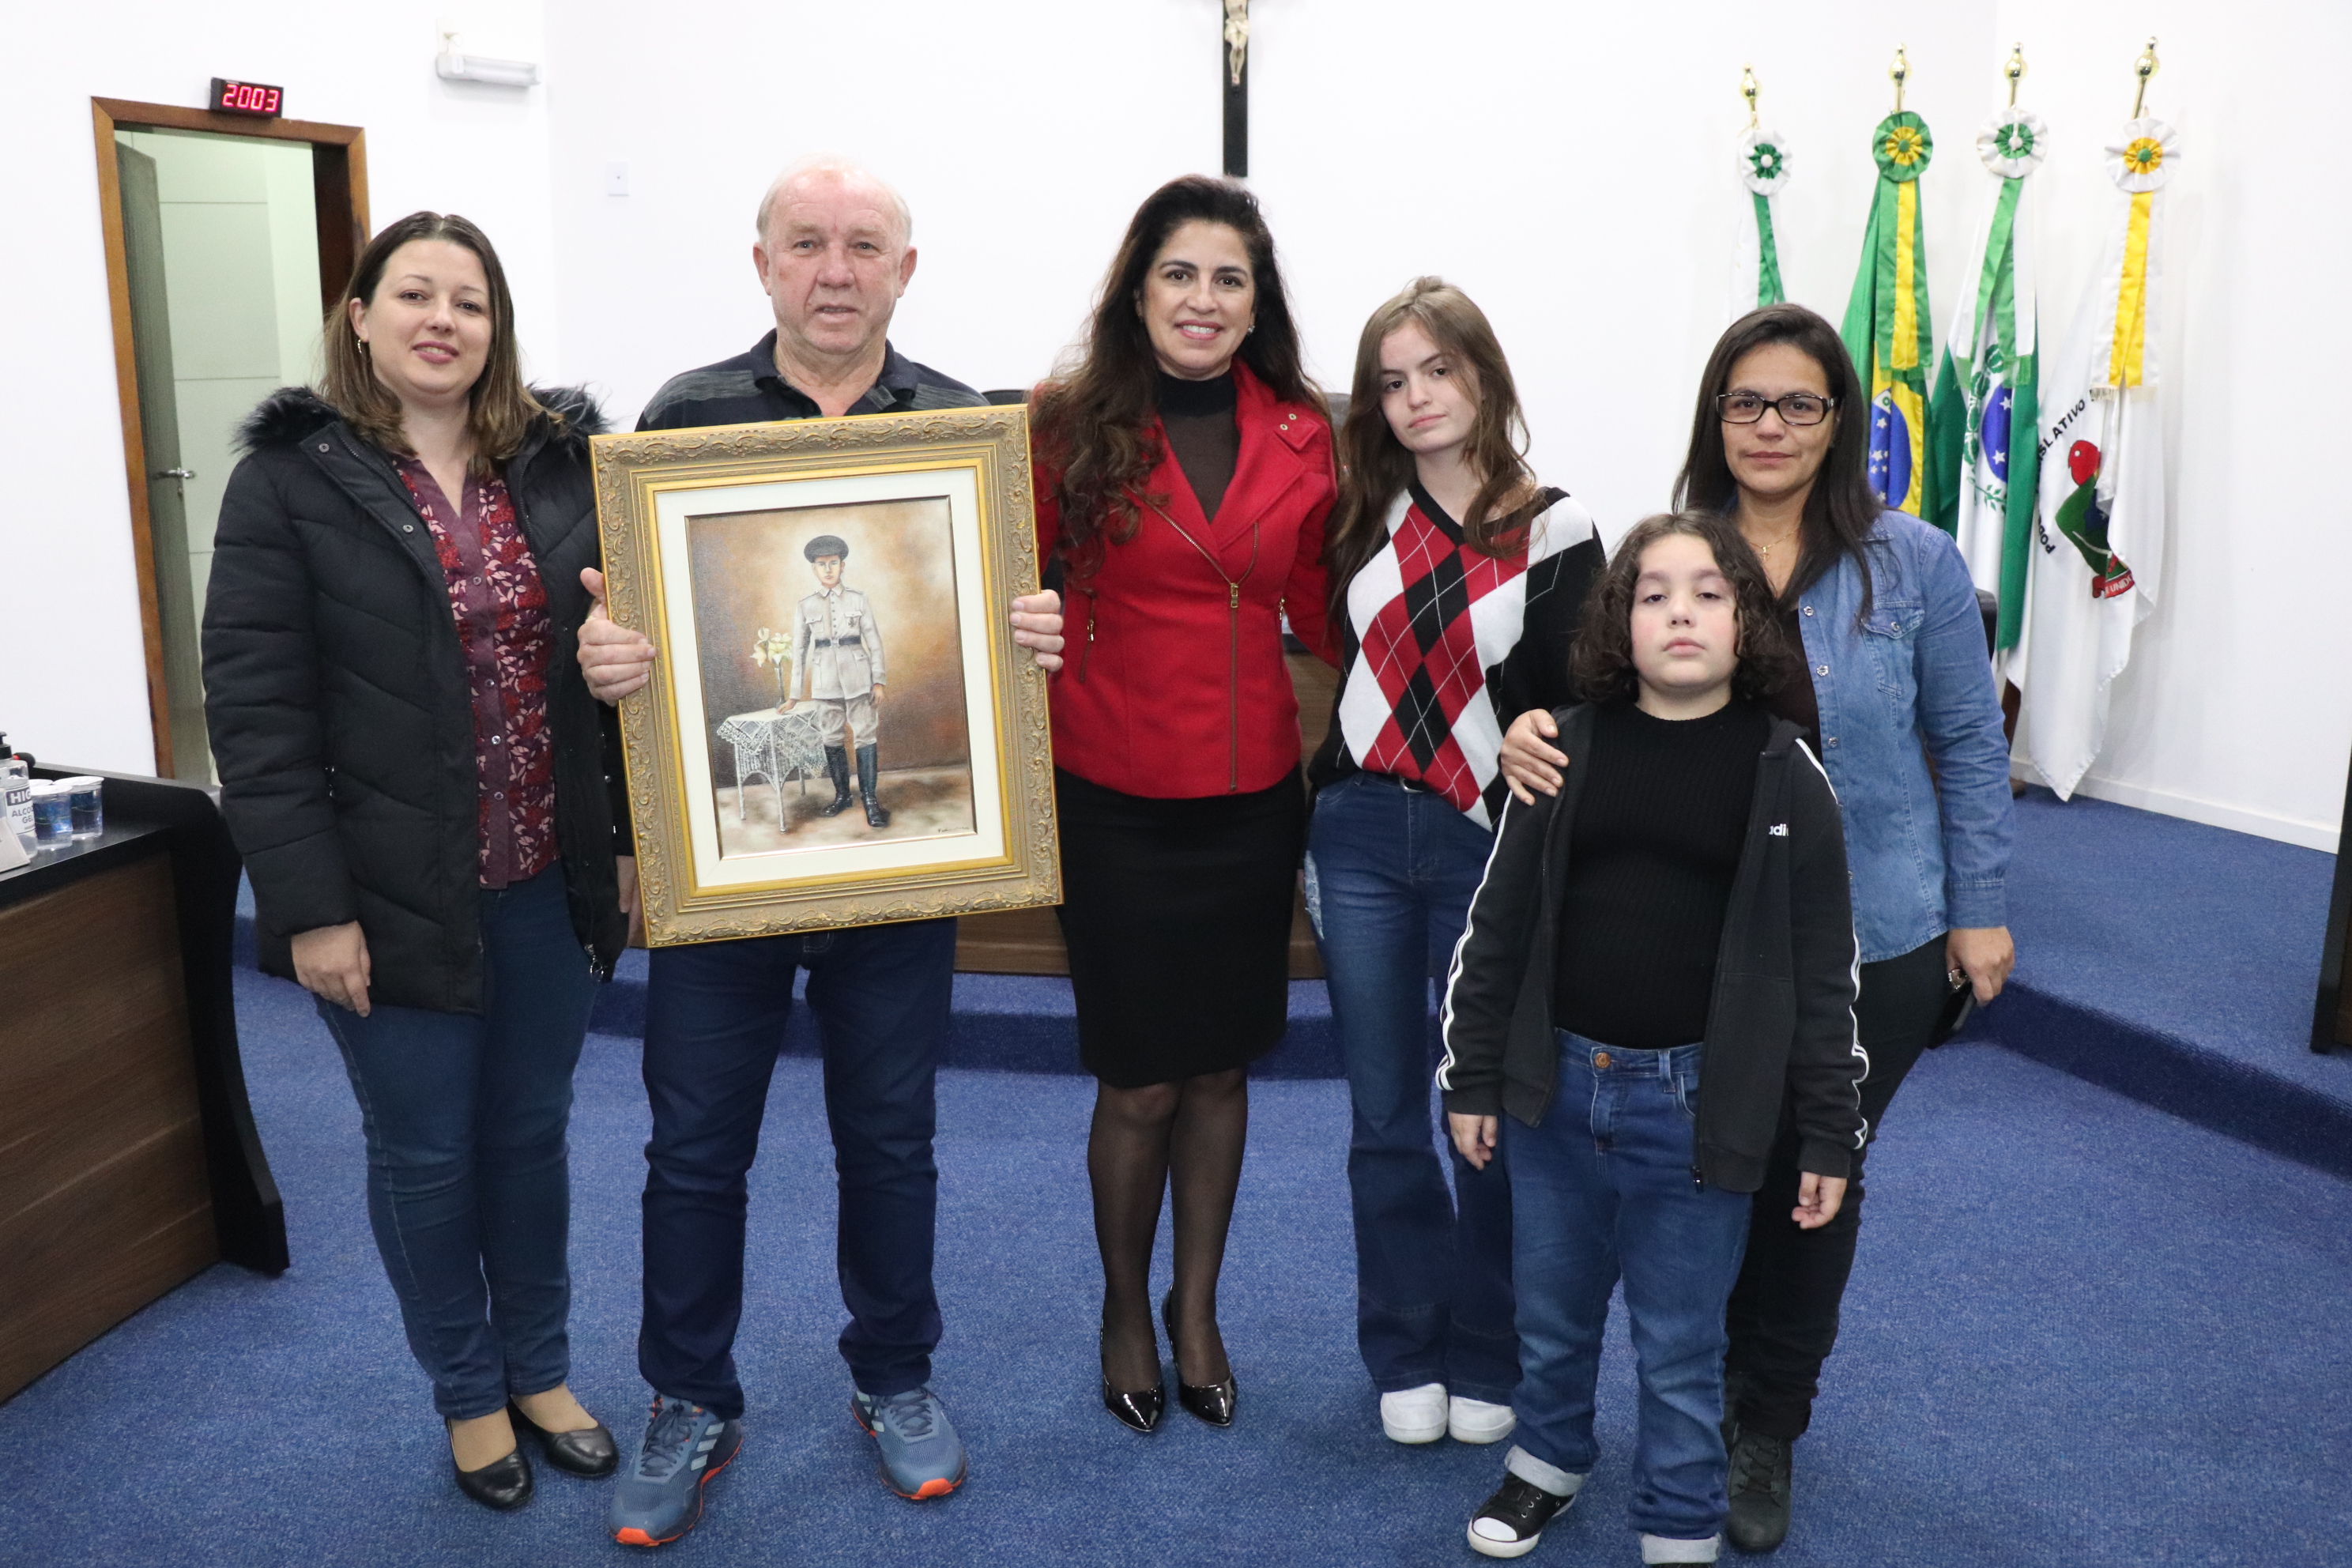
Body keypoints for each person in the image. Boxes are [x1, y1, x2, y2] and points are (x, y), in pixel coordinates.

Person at [573, 157, 1065, 1547]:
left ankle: (895, 1375)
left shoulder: (966, 428)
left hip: (903, 886)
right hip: (717, 881)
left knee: (891, 1139)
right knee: (693, 1147)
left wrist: (1034, 641)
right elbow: (632, 647)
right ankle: (688, 1396)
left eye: (864, 246)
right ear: (763, 263)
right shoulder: (684, 419)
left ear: (907, 269)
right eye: (807, 243)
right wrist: (606, 662)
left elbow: (994, 642)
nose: (834, 269)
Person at [1498, 303, 2016, 1554]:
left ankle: (1762, 1423)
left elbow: (1966, 743)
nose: (1770, 426)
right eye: (1746, 401)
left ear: (1841, 422)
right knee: (1703, 1175)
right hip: (1697, 947)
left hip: (1876, 934)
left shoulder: (1919, 566)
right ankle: (1682, 1402)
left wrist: (1981, 912)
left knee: (1807, 1187)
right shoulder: (1678, 550)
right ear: (1713, 418)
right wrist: (1527, 734)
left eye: (1799, 403)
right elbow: (1603, 701)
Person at [203, 211, 626, 1510]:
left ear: (497, 329)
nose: (443, 319)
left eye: (471, 300)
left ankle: (541, 1367)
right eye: (416, 294)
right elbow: (256, 714)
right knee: (427, 1149)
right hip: (382, 897)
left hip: (547, 876)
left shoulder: (559, 469)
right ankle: (466, 1389)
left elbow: (627, 645)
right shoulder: (289, 483)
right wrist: (311, 911)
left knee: (532, 1134)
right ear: (362, 317)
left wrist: (623, 699)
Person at [1442, 512, 1865, 1563]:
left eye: (1710, 593)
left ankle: (1678, 1516)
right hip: (1552, 1096)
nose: (1681, 611)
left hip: (1698, 1111)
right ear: (1619, 622)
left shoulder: (1786, 774)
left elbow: (1823, 976)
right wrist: (1471, 1077)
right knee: (1552, 1313)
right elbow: (1497, 928)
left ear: (1747, 626)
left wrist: (1827, 1137)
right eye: (1654, 593)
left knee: (1680, 1343)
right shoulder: (1562, 750)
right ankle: (1547, 1464)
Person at [1027, 174, 1334, 1435]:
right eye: (1180, 274)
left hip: (1253, 789)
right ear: (1137, 287)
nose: (1203, 301)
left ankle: (1196, 1309)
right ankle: (1120, 1307)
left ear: (1256, 302)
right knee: (1139, 1078)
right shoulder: (1063, 424)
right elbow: (1004, 583)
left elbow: (1329, 608)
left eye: (1229, 279)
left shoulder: (1309, 432)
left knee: (1220, 1067)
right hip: (1112, 785)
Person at [1306, 277, 1603, 1447]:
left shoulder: (1560, 525)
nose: (1417, 397)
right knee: (1383, 1117)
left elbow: (1581, 708)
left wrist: (1550, 733)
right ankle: (1403, 1344)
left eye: (1437, 370)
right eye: (1392, 380)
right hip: (1362, 839)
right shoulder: (1354, 515)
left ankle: (1488, 1348)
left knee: (1479, 1113)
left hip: (1491, 845)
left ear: (1482, 376)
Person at [784, 533, 889, 826]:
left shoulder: (858, 598)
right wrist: (794, 694)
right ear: (814, 569)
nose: (828, 569)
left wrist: (878, 680)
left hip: (859, 679)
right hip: (824, 682)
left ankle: (870, 799)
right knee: (832, 738)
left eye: (833, 563)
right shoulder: (805, 606)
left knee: (865, 736)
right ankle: (843, 795)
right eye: (821, 564)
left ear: (842, 566)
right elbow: (799, 650)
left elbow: (874, 641)